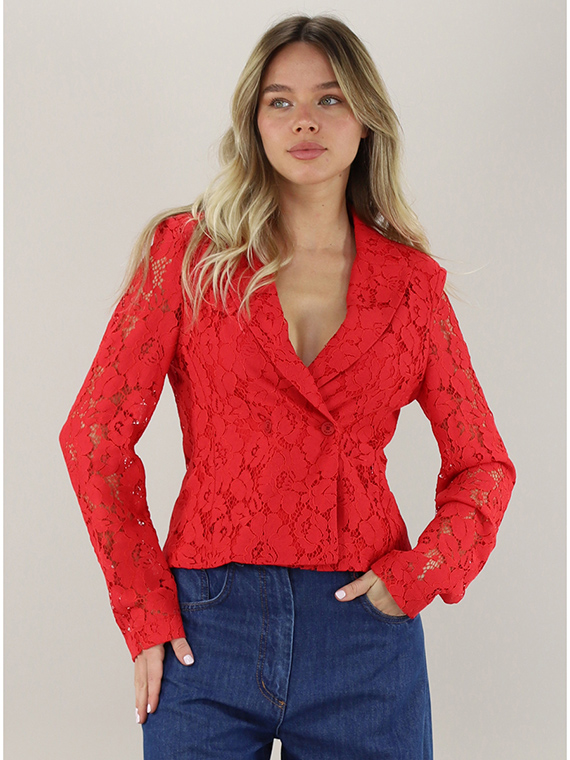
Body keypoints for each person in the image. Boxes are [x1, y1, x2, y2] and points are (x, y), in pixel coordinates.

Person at [60, 14, 515, 760]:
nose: (305, 119)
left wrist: (421, 572)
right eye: (281, 101)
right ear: (255, 122)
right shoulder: (188, 254)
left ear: (365, 119)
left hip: (364, 637)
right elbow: (93, 436)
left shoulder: (411, 286)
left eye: (330, 99)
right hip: (204, 628)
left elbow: (484, 465)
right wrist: (143, 608)